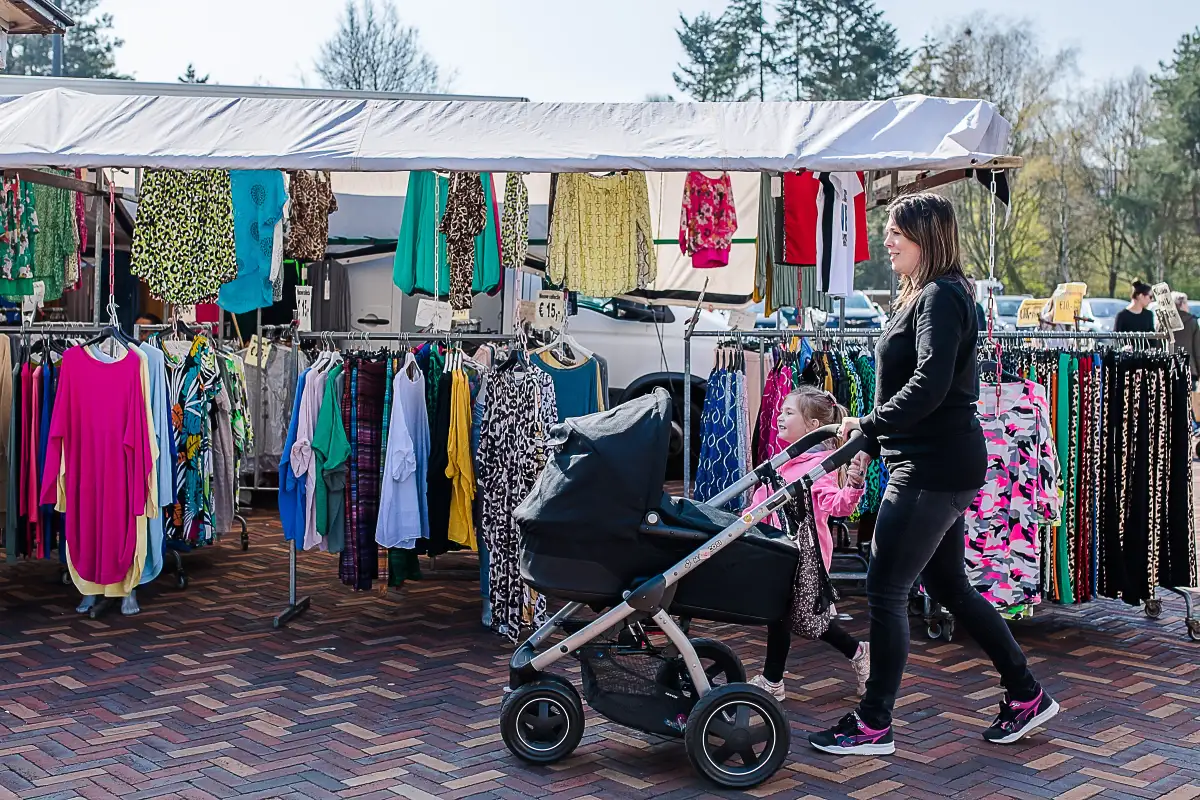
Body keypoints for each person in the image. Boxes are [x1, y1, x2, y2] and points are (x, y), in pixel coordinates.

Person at [808, 193, 1057, 757]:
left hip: (931, 466)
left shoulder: (942, 297)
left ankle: (873, 726)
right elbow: (911, 388)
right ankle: (1027, 694)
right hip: (933, 460)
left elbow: (929, 386)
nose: (888, 241)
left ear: (927, 236)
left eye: (897, 232)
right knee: (949, 586)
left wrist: (867, 427)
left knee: (886, 588)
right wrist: (870, 441)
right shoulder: (929, 295)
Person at [745, 386, 872, 700]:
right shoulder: (784, 461)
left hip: (806, 558)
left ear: (813, 426)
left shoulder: (820, 469)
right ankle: (857, 652)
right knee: (795, 618)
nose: (779, 416)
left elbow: (839, 506)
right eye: (781, 411)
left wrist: (854, 483)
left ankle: (775, 681)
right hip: (776, 551)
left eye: (789, 412)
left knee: (791, 617)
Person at [1172, 292, 1200, 385]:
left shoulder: (1164, 323)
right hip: (1189, 368)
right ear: (1182, 304)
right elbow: (1197, 350)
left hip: (1169, 368)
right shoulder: (1192, 322)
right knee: (1189, 398)